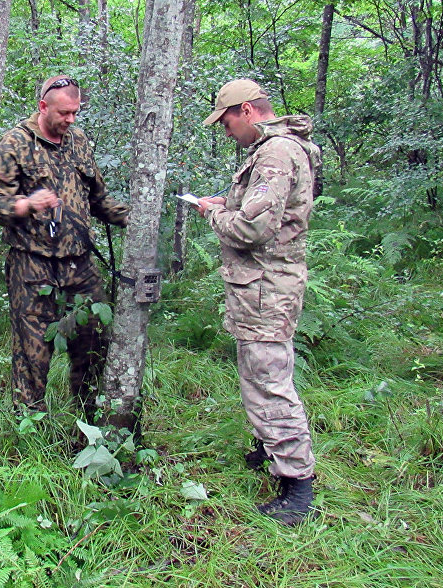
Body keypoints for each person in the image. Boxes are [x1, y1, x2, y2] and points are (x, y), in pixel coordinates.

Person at [195, 79, 322, 526]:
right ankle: (270, 449)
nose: (226, 130)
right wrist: (226, 203)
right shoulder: (282, 149)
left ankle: (296, 486)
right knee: (259, 373)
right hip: (265, 286)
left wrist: (213, 213)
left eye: (227, 120)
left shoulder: (275, 153)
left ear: (247, 110)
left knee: (269, 381)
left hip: (267, 287)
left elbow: (252, 231)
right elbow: (263, 211)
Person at [0, 75, 129, 425]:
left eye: (76, 113)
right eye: (64, 113)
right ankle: (29, 432)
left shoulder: (78, 141)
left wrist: (135, 220)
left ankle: (90, 426)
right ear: (43, 107)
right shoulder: (16, 143)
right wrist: (26, 205)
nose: (71, 120)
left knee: (94, 343)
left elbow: (99, 198)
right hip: (32, 266)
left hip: (79, 265)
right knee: (33, 354)